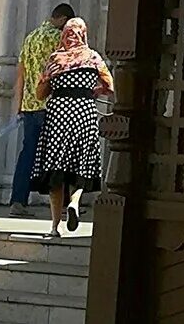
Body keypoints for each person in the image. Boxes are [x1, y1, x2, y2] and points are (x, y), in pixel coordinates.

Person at [30, 16, 113, 237]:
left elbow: (39, 93)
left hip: (58, 116)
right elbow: (110, 85)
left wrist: (51, 80)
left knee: (55, 169)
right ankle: (75, 202)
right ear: (83, 34)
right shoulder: (93, 58)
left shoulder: (56, 59)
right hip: (84, 114)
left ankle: (55, 226)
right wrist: (95, 90)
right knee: (81, 163)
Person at [8, 1, 73, 217]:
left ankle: (18, 200)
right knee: (59, 154)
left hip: (30, 105)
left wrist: (18, 105)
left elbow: (21, 73)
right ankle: (62, 204)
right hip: (54, 105)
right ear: (63, 20)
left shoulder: (31, 37)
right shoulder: (59, 39)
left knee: (28, 152)